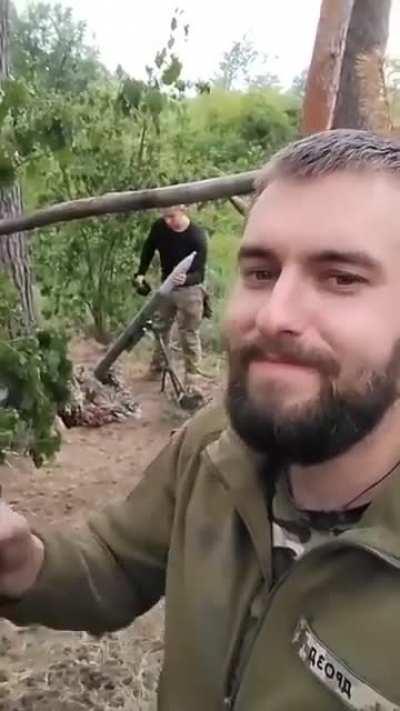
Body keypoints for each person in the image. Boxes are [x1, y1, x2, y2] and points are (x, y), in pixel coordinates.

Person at [3, 129, 400, 709]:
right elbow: (117, 564)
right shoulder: (216, 445)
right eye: (261, 273)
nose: (274, 316)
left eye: (341, 278)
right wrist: (20, 561)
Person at [135, 205, 208, 389]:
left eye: (172, 216)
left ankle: (192, 379)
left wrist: (187, 278)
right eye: (165, 217)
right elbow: (149, 248)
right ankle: (158, 367)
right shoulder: (159, 227)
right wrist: (141, 273)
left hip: (190, 290)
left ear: (183, 210)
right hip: (167, 286)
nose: (168, 221)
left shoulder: (196, 236)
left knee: (189, 334)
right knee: (160, 328)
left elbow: (200, 273)